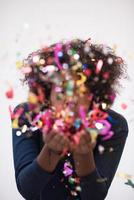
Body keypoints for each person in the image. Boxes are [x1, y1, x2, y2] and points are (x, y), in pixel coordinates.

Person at [12, 38, 129, 200]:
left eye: (79, 92)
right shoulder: (27, 115)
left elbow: (95, 196)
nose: (70, 101)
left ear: (93, 96)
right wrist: (51, 151)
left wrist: (83, 154)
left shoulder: (113, 125)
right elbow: (27, 189)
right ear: (47, 93)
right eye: (61, 92)